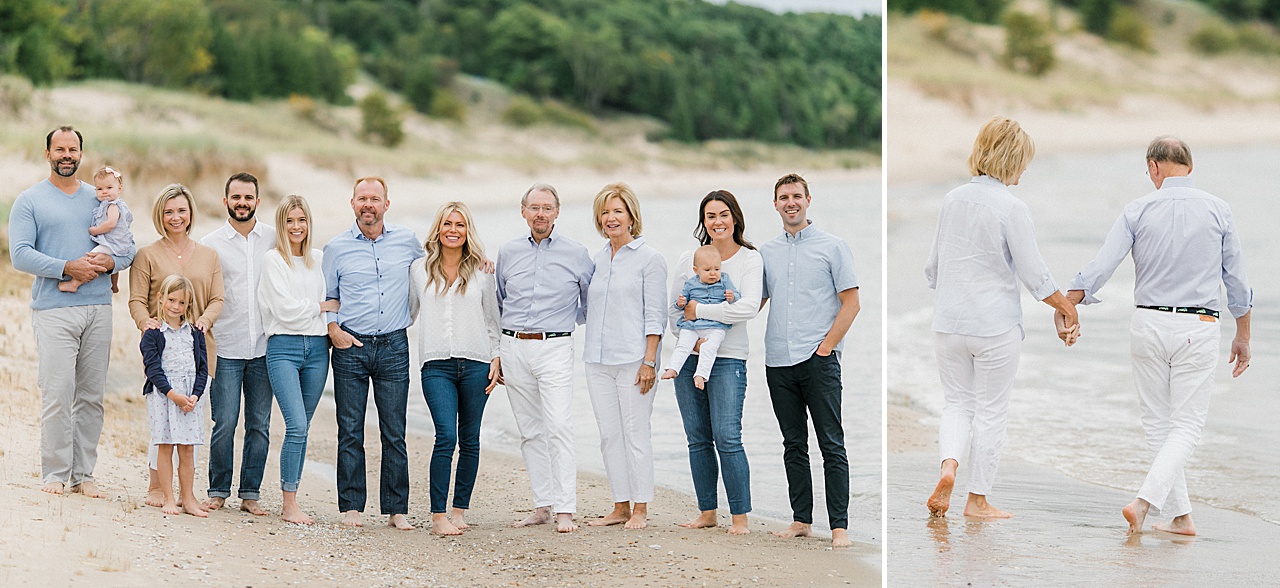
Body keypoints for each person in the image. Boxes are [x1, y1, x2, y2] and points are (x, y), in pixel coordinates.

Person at [1066, 137, 1252, 536]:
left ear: (1154, 167)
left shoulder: (1138, 209)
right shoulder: (1219, 210)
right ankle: (1145, 503)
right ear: (1189, 166)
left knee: (1159, 426)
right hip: (1198, 327)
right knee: (1186, 427)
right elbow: (1236, 281)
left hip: (1147, 325)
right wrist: (1243, 335)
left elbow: (1103, 264)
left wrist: (1069, 303)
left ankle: (1182, 517)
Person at [923, 116, 1078, 520]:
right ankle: (977, 502)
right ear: (1011, 159)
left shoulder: (952, 198)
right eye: (1023, 161)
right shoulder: (1012, 207)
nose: (1026, 170)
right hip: (994, 327)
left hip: (948, 323)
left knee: (957, 404)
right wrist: (1066, 307)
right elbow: (1034, 275)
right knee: (991, 411)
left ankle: (948, 467)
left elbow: (933, 268)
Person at [9, 126, 133, 497]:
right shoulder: (29, 200)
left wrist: (107, 264)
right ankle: (55, 474)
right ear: (47, 153)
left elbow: (127, 248)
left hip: (98, 308)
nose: (67, 155)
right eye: (59, 149)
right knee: (58, 393)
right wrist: (67, 267)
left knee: (91, 396)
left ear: (82, 153)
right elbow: (20, 254)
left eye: (73, 149)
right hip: (53, 310)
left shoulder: (101, 198)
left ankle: (84, 475)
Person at [759, 173, 860, 548]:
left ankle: (839, 528)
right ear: (775, 204)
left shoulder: (833, 247)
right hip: (778, 361)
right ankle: (801, 520)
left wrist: (826, 348)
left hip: (819, 360)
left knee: (831, 444)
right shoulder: (766, 252)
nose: (791, 202)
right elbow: (755, 303)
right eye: (784, 197)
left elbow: (852, 304)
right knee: (792, 444)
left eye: (797, 196)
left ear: (808, 200)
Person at [323, 176, 424, 530]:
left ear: (386, 204)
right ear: (352, 204)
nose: (369, 204)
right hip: (351, 346)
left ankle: (397, 509)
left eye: (375, 199)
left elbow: (439, 266)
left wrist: (481, 262)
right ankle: (352, 506)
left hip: (395, 345)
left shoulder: (408, 241)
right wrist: (334, 330)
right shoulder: (335, 248)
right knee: (350, 429)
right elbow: (328, 295)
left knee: (393, 430)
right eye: (362, 198)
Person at [495, 182, 593, 533]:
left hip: (554, 346)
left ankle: (566, 509)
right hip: (514, 346)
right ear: (524, 211)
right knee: (530, 431)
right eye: (534, 207)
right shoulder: (507, 252)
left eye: (547, 208)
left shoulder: (578, 253)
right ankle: (543, 505)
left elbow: (588, 304)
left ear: (557, 212)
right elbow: (500, 299)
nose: (540, 214)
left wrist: (560, 327)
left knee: (559, 426)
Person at [669, 190, 763, 536]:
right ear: (703, 221)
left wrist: (701, 313)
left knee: (727, 436)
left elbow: (748, 308)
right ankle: (707, 511)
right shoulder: (687, 259)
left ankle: (739, 518)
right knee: (697, 438)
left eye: (723, 214)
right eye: (710, 216)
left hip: (728, 359)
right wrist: (688, 335)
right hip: (690, 357)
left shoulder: (750, 259)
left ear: (735, 218)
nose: (717, 221)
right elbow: (674, 308)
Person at [129, 183, 225, 508]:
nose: (176, 217)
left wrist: (205, 321)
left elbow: (217, 298)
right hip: (163, 351)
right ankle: (157, 486)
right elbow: (137, 301)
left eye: (181, 210)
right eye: (169, 211)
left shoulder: (209, 255)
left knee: (189, 423)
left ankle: (188, 493)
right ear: (160, 215)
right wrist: (146, 324)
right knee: (162, 424)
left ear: (190, 213)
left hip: (198, 352)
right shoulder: (147, 255)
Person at [410, 201, 502, 536]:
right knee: (446, 436)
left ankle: (459, 509)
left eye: (460, 225)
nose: (453, 230)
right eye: (447, 223)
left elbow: (493, 320)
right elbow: (406, 313)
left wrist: (497, 357)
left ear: (467, 231)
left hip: (477, 363)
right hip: (435, 365)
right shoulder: (418, 270)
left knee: (471, 439)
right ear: (438, 228)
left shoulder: (482, 272)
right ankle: (438, 516)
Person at [581, 183, 667, 530]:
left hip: (634, 360)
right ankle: (620, 505)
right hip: (597, 360)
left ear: (632, 216)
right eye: (605, 212)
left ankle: (641, 508)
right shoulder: (598, 259)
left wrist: (650, 361)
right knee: (608, 434)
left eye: (618, 211)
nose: (610, 218)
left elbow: (656, 315)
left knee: (635, 433)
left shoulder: (650, 258)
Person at [199, 172, 275, 516]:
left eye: (249, 198)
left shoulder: (273, 240)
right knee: (225, 422)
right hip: (226, 348)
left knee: (259, 424)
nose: (242, 203)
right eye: (236, 197)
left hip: (264, 348)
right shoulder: (210, 244)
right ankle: (217, 489)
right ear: (226, 200)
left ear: (258, 202)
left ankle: (250, 493)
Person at [259, 195, 336, 525]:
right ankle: (289, 504)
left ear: (309, 223)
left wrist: (325, 309)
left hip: (318, 352)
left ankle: (293, 499)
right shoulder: (273, 260)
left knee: (301, 430)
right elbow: (283, 310)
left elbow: (340, 297)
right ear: (281, 224)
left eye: (301, 220)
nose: (296, 227)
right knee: (297, 425)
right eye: (289, 220)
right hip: (284, 350)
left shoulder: (319, 259)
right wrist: (320, 307)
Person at [140, 274, 210, 518]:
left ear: (188, 305)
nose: (175, 307)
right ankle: (168, 497)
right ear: (161, 298)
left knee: (188, 449)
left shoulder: (195, 333)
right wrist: (173, 394)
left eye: (182, 303)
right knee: (166, 445)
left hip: (190, 398)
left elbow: (203, 368)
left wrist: (195, 395)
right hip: (163, 395)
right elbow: (152, 368)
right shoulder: (154, 333)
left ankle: (188, 498)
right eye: (171, 300)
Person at [661, 245, 736, 390]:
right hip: (692, 325)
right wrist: (680, 303)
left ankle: (701, 374)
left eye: (717, 269)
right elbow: (680, 304)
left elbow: (736, 297)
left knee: (709, 347)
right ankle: (673, 367)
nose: (713, 273)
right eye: (707, 270)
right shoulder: (690, 284)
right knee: (683, 344)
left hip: (715, 327)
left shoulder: (725, 280)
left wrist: (732, 297)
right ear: (696, 270)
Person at [59, 166, 134, 294]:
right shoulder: (110, 204)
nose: (104, 192)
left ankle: (74, 283)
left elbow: (110, 224)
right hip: (119, 243)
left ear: (119, 188)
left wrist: (95, 230)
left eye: (109, 188)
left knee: (92, 258)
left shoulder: (113, 206)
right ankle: (114, 285)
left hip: (112, 242)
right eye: (100, 189)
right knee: (113, 263)